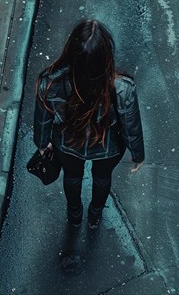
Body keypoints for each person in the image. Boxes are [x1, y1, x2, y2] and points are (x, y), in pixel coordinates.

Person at [33, 19, 145, 229]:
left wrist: (41, 144)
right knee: (102, 179)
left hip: (67, 145)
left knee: (72, 178)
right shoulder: (122, 87)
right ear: (105, 56)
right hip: (108, 148)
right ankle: (94, 216)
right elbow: (131, 126)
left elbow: (42, 119)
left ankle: (74, 215)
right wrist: (137, 154)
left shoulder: (50, 83)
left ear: (70, 51)